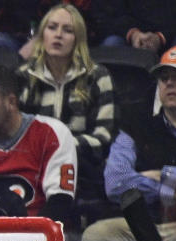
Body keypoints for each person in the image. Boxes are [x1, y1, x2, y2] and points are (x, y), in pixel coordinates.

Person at [80, 46, 176, 241]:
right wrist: (169, 183)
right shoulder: (134, 128)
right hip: (145, 223)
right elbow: (116, 184)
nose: (170, 83)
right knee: (95, 235)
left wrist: (154, 176)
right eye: (164, 78)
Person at [16, 4, 116, 202]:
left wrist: (60, 148)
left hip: (81, 170)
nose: (58, 35)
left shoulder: (97, 77)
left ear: (78, 39)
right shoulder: (23, 77)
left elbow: (104, 138)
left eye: (68, 30)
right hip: (31, 168)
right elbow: (14, 134)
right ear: (42, 33)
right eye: (52, 27)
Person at [0, 64, 78, 224]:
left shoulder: (51, 133)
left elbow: (60, 203)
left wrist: (22, 239)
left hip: (38, 239)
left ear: (11, 101)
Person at [94, 0, 176, 52]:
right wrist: (133, 34)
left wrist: (160, 37)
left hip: (168, 36)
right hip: (125, 35)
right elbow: (104, 17)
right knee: (111, 44)